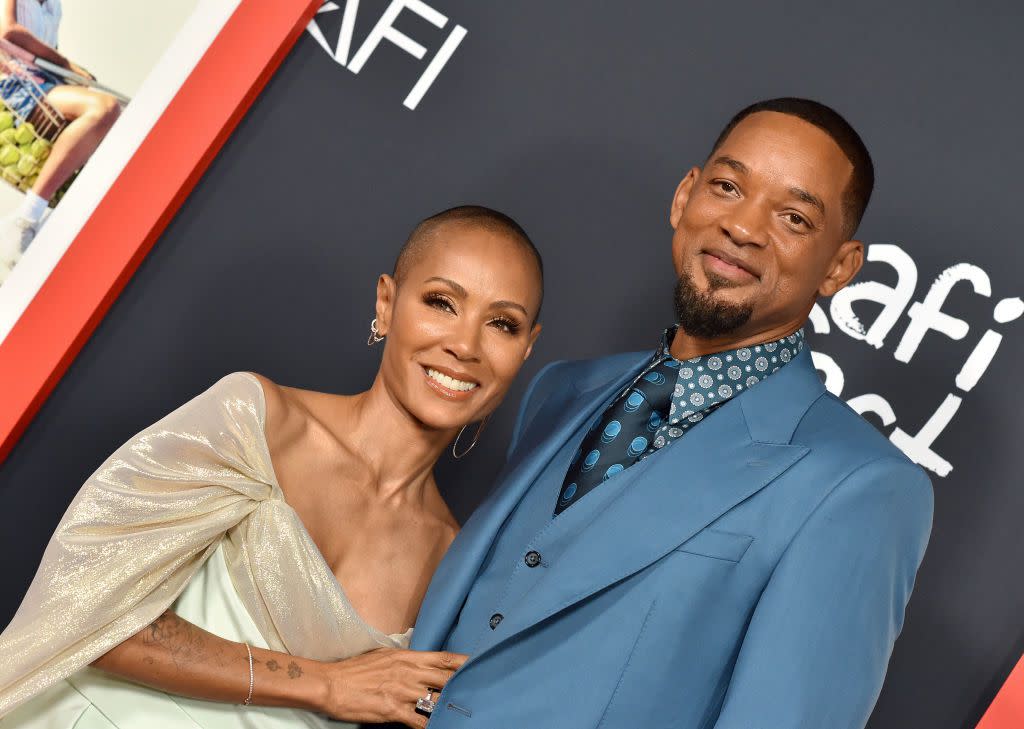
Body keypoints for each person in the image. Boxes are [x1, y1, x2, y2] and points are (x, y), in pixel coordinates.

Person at [410, 99, 934, 728]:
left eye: (793, 217)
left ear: (840, 268)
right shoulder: (560, 389)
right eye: (727, 187)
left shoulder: (861, 487)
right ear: (685, 196)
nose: (743, 227)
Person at [0, 205, 544, 729]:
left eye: (502, 324)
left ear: (525, 351)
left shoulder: (452, 565)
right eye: (441, 302)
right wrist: (327, 685)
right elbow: (84, 609)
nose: (465, 344)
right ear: (386, 302)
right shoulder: (256, 422)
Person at [0, 0, 121, 283]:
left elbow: (48, 53)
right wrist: (68, 65)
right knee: (102, 109)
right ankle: (27, 217)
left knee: (110, 136)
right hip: (13, 90)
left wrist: (73, 77)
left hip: (41, 86)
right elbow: (8, 31)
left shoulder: (53, 7)